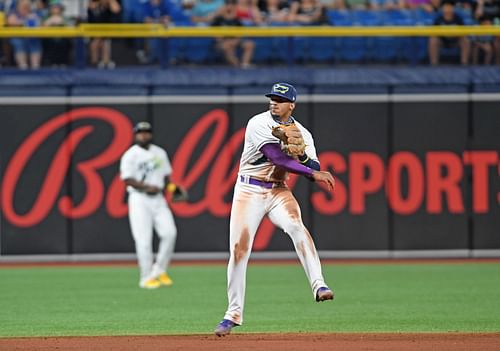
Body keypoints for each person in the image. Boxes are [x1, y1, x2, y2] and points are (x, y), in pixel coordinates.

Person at [214, 83, 335, 337]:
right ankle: (232, 314)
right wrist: (312, 172)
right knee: (239, 250)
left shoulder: (303, 133)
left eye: (280, 99)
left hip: (278, 190)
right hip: (249, 190)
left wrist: (304, 159)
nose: (274, 102)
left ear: (292, 105)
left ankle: (319, 285)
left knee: (295, 225)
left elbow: (312, 162)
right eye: (272, 98)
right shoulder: (258, 123)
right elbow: (277, 157)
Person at [120, 121, 182, 289]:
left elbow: (166, 176)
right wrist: (146, 186)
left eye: (146, 132)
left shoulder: (159, 152)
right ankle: (146, 277)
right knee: (143, 240)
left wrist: (172, 189)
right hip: (139, 198)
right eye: (140, 132)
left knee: (170, 233)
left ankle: (159, 270)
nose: (144, 135)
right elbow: (127, 180)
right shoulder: (131, 155)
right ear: (135, 135)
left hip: (158, 199)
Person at [7, 0, 43, 69]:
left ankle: (35, 66)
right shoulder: (14, 13)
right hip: (18, 38)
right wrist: (25, 21)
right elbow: (11, 22)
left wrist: (34, 19)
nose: (25, 7)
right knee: (18, 42)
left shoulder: (33, 14)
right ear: (18, 7)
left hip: (32, 37)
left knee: (35, 42)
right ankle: (23, 67)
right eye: (23, 6)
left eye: (27, 6)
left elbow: (40, 23)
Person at [87, 0, 121, 69]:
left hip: (105, 30)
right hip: (93, 30)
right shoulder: (92, 4)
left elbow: (116, 9)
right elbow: (91, 6)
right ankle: (94, 63)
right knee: (95, 42)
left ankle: (105, 62)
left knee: (105, 42)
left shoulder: (107, 4)